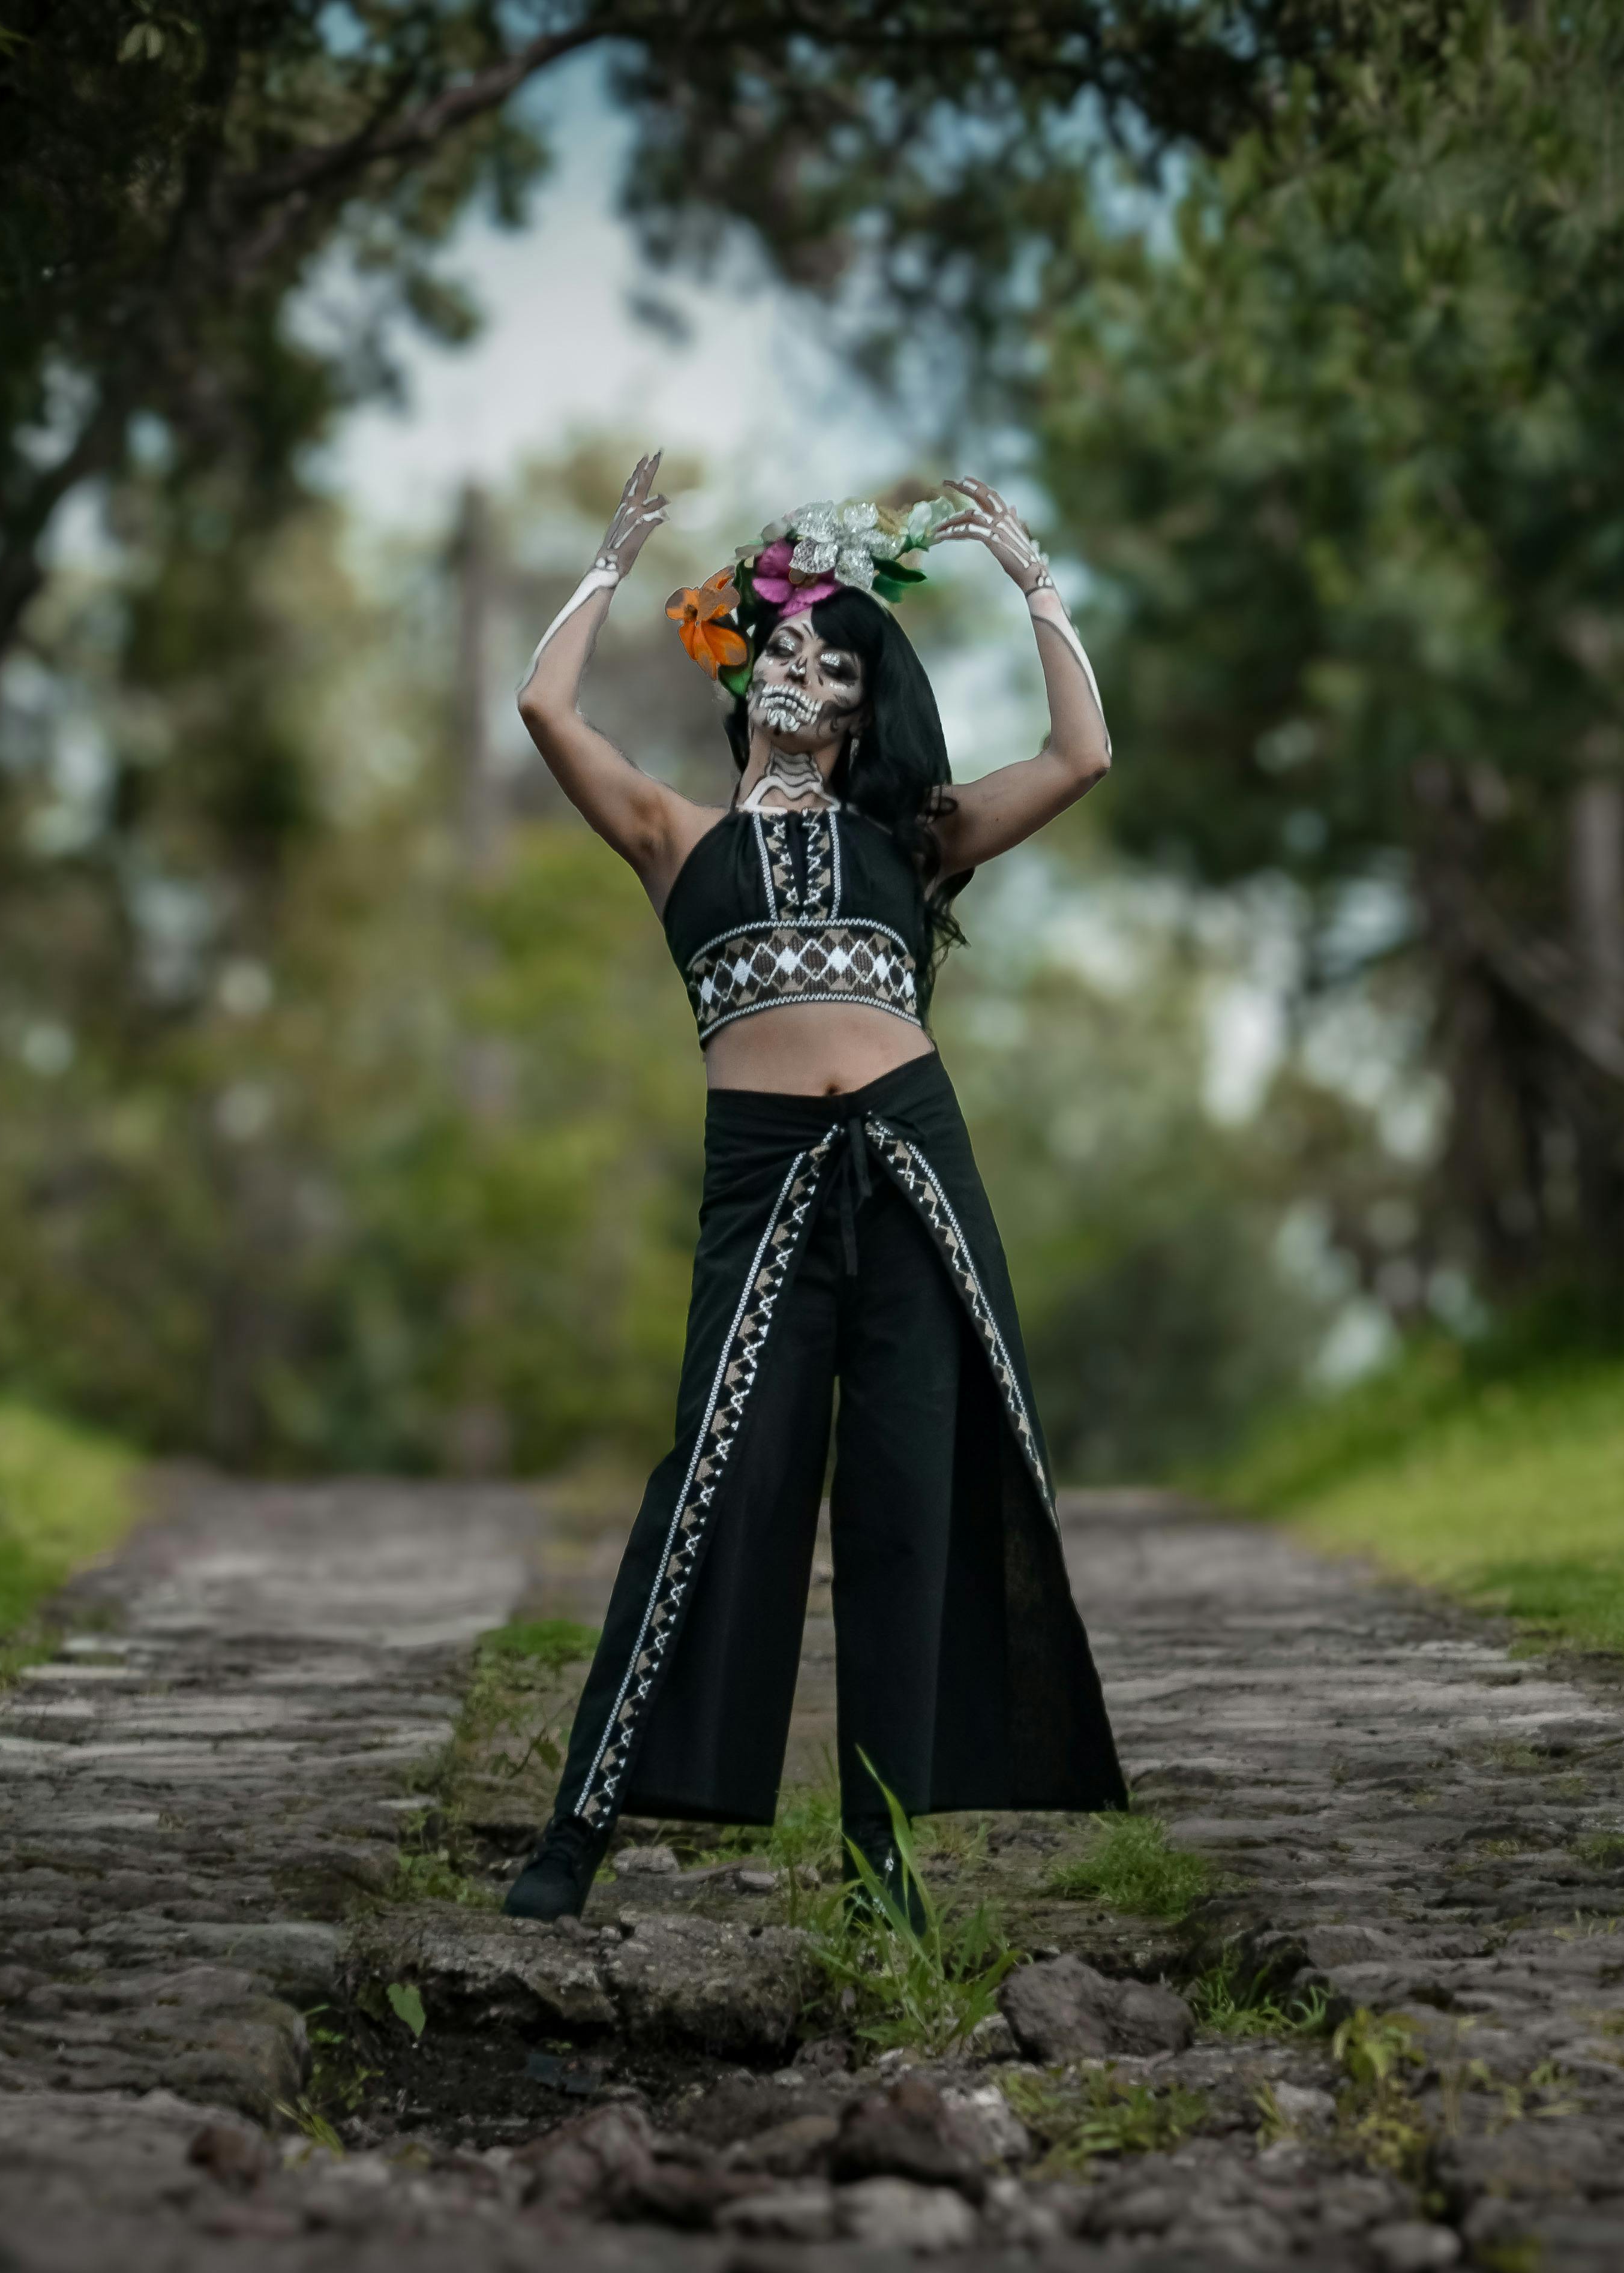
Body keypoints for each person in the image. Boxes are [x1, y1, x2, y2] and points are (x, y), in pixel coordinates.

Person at [500, 455, 1129, 1924]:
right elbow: (543, 710)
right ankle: (577, 1829)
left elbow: (1085, 755)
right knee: (719, 1473)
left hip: (914, 1159)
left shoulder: (918, 836)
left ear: (861, 710)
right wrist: (607, 568)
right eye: (780, 648)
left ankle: (885, 1867)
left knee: (908, 1505)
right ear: (748, 684)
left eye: (831, 663)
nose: (799, 669)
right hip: (762, 1168)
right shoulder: (677, 838)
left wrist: (1034, 583)